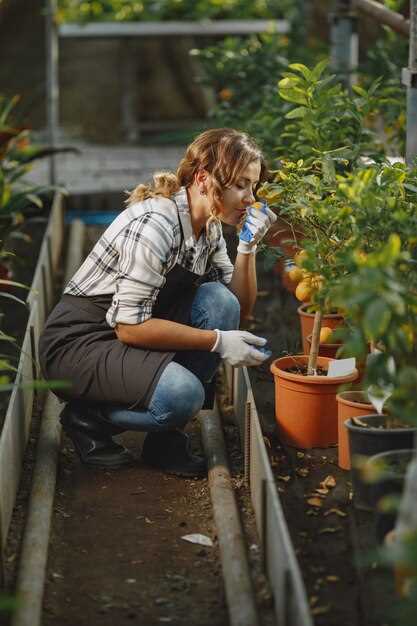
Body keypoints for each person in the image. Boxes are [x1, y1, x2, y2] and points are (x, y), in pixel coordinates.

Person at [39, 128, 276, 477]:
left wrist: (248, 247)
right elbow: (130, 328)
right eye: (241, 185)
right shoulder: (157, 225)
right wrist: (218, 342)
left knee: (219, 302)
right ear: (203, 178)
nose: (250, 198)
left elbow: (239, 306)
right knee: (182, 396)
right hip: (80, 344)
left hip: (124, 332)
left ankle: (164, 441)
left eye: (253, 187)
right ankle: (88, 418)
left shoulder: (207, 228)